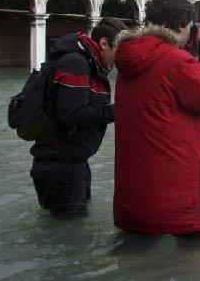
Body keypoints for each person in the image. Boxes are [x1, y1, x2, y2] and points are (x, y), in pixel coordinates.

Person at [113, 0, 200, 243]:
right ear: (180, 25)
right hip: (179, 196)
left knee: (136, 261)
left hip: (136, 196)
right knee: (195, 264)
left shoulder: (131, 58)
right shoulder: (175, 62)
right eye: (190, 26)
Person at [30, 17, 128, 217]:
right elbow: (72, 115)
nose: (123, 57)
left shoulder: (86, 63)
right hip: (60, 168)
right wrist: (118, 110)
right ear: (103, 43)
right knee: (68, 238)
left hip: (72, 163)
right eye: (120, 49)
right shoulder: (76, 63)